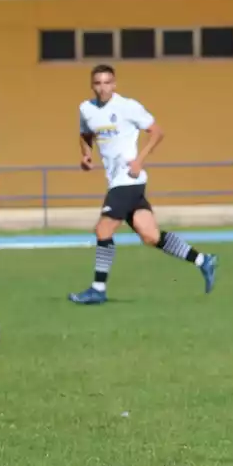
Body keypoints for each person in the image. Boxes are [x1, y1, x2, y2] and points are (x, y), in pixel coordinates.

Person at [68, 64, 218, 305]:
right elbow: (86, 134)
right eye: (98, 83)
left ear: (114, 84)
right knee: (150, 235)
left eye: (107, 82)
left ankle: (97, 289)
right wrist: (86, 154)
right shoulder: (86, 109)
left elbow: (157, 131)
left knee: (103, 230)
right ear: (92, 85)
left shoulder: (128, 107)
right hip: (117, 180)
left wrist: (139, 160)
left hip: (128, 179)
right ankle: (203, 260)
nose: (103, 87)